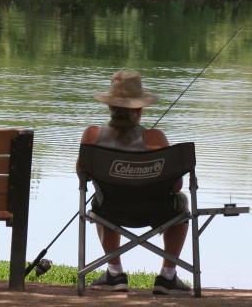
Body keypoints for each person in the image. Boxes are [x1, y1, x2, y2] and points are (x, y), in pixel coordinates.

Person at [78, 70, 190, 295]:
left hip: (111, 211)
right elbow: (175, 186)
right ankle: (167, 277)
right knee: (181, 201)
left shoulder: (92, 136)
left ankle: (115, 273)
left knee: (101, 201)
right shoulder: (155, 138)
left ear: (110, 106)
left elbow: (83, 176)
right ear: (139, 109)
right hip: (158, 212)